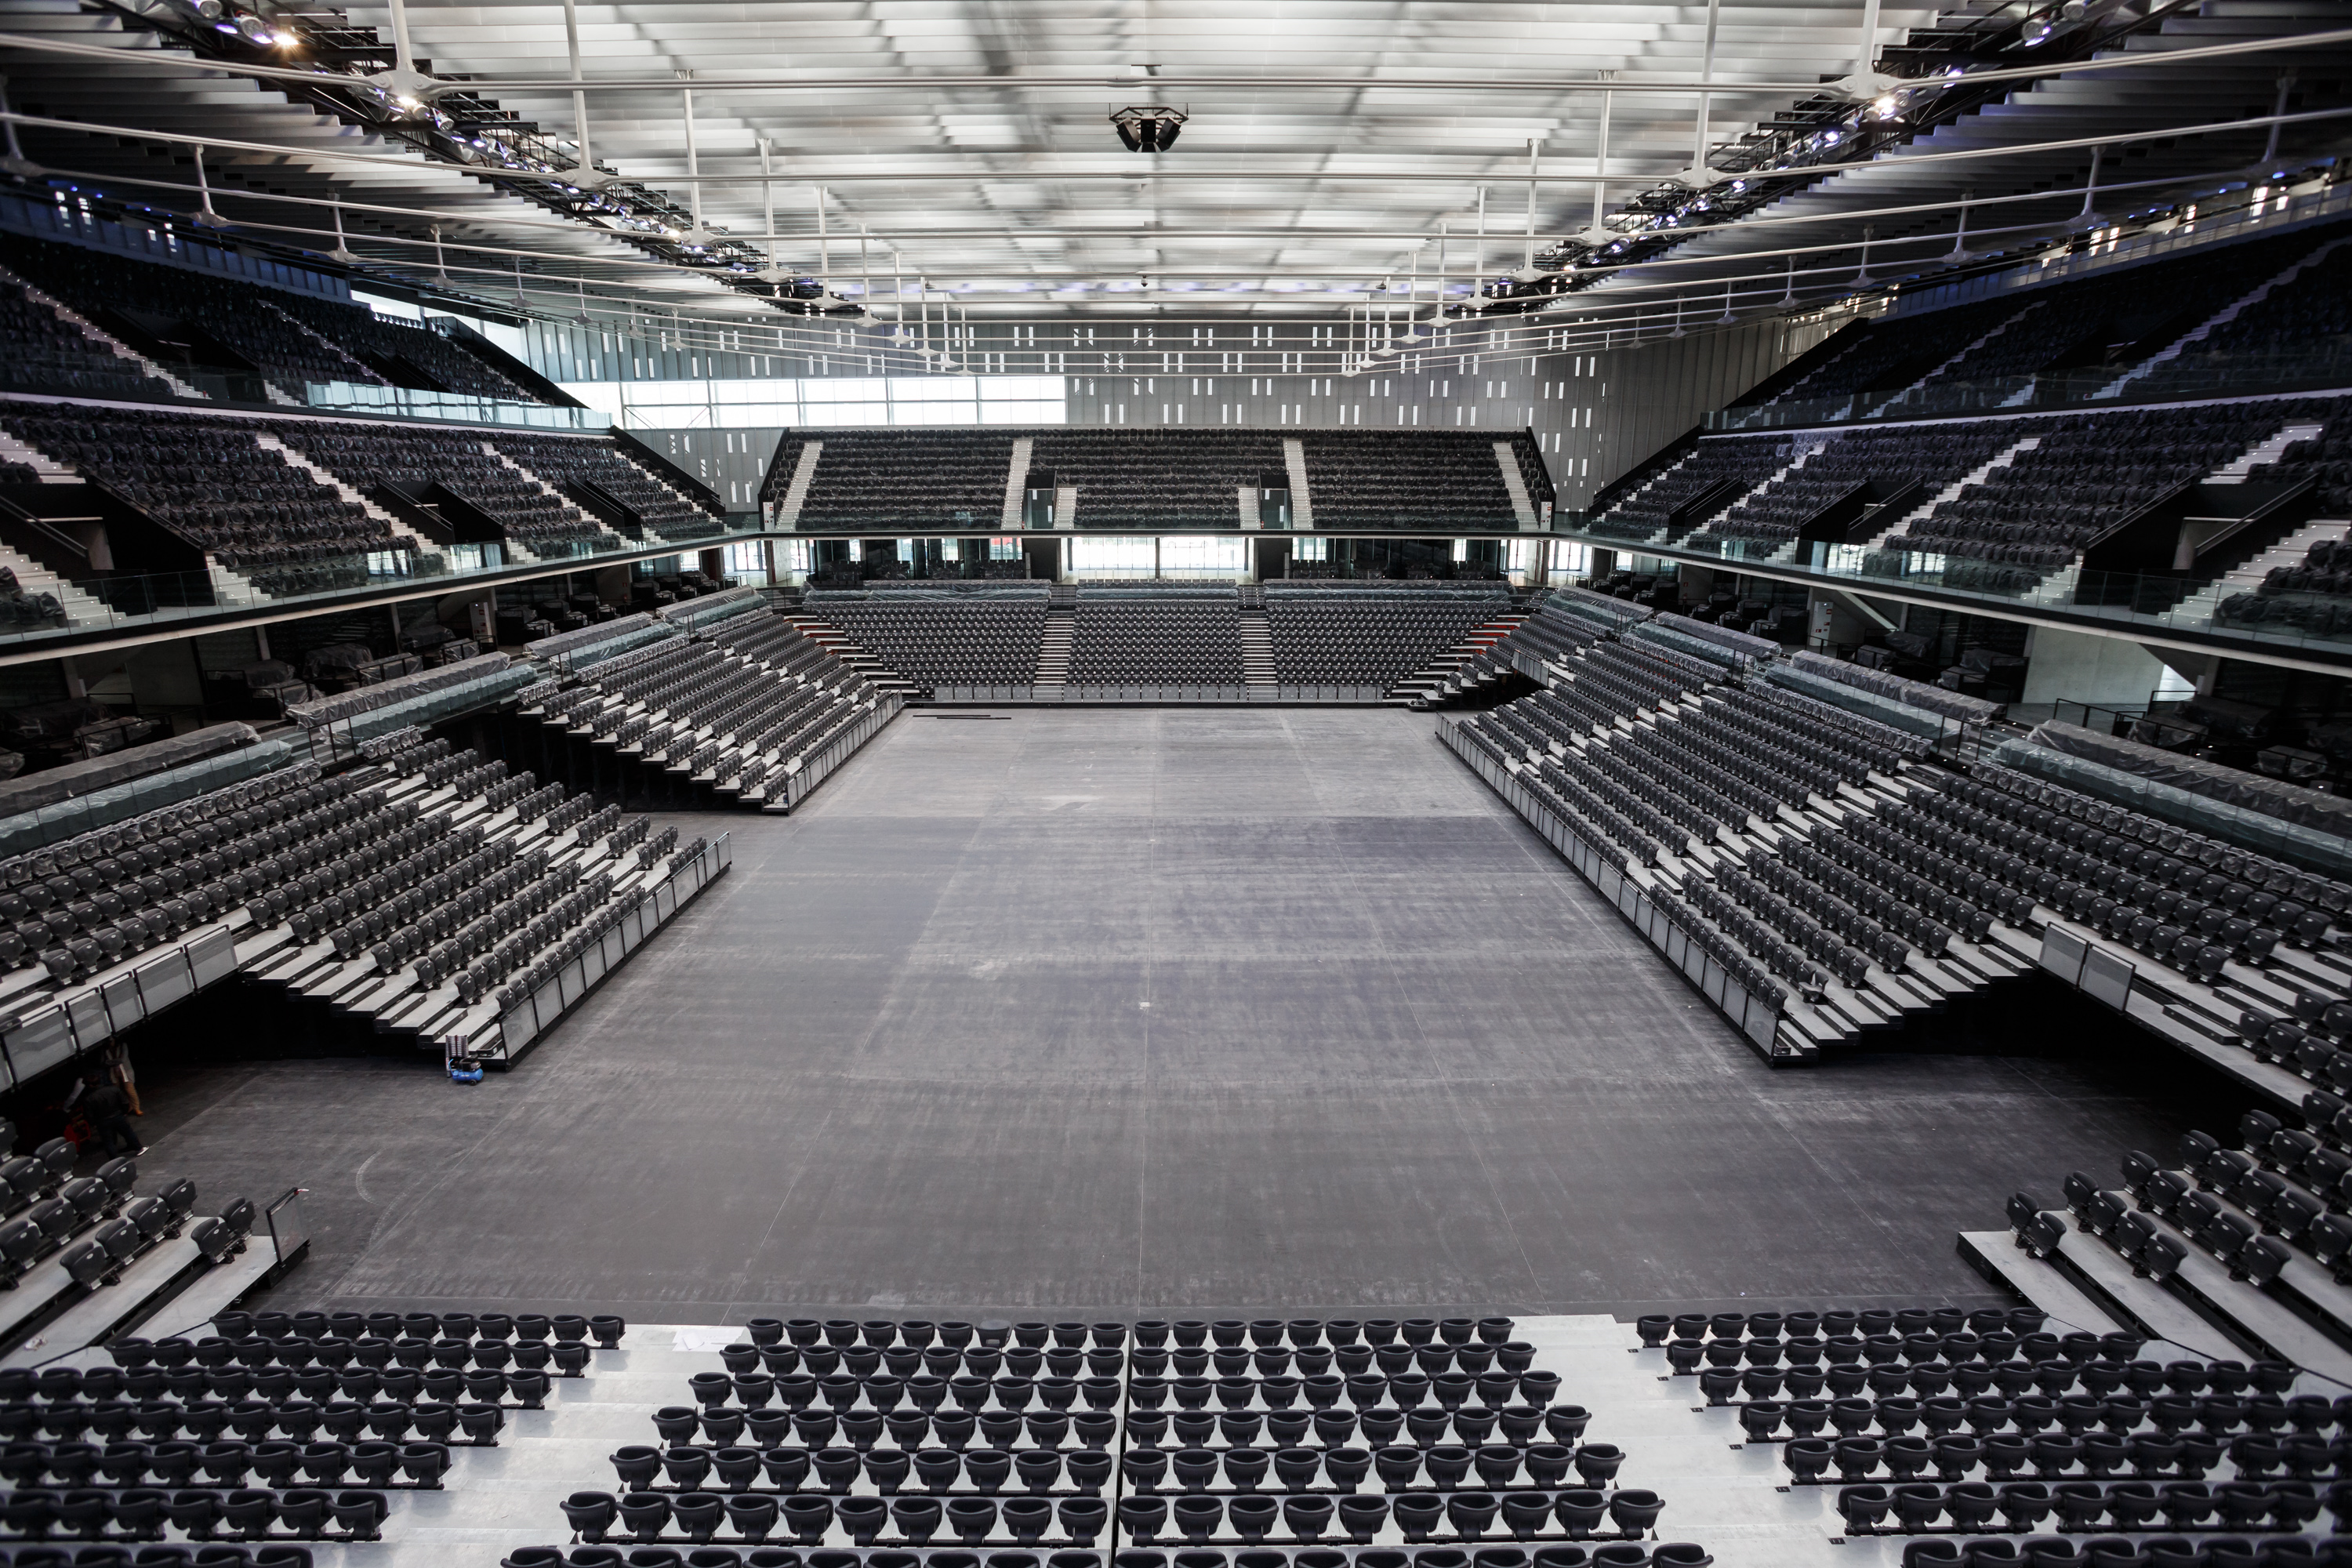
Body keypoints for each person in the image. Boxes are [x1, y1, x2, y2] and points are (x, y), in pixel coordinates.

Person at [80, 1076, 142, 1157]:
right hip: (118, 1116)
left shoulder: (89, 1099)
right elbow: (125, 1103)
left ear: (90, 1085)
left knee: (108, 1141)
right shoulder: (114, 1089)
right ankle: (138, 1148)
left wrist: (94, 1124)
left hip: (103, 1121)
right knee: (128, 1133)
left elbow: (89, 1115)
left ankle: (114, 1159)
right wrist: (124, 1112)